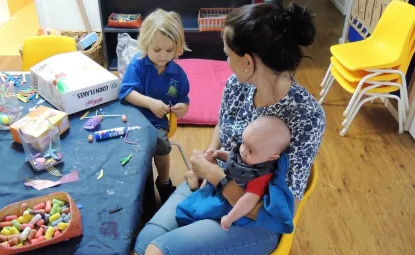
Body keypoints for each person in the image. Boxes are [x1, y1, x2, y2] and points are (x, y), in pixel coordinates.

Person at [133, 3, 326, 255]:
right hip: (215, 186)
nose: (225, 61)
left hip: (255, 219)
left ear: (247, 62)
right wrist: (206, 158)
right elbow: (223, 124)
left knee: (158, 251)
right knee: (144, 241)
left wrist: (215, 177)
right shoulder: (237, 83)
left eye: (227, 54)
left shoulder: (306, 116)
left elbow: (275, 214)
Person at [119, 9, 190, 204]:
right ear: (145, 45)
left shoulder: (178, 74)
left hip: (157, 122)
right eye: (157, 50)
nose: (163, 56)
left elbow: (183, 99)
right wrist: (149, 102)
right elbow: (126, 92)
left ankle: (164, 182)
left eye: (169, 51)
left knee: (160, 144)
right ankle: (141, 185)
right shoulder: (138, 64)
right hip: (133, 117)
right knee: (135, 150)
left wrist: (183, 107)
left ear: (178, 48)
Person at [179, 116, 292, 231]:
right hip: (221, 190)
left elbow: (248, 201)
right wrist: (218, 153)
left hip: (234, 207)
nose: (243, 151)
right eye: (243, 143)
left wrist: (230, 218)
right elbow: (233, 159)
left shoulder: (260, 176)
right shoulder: (249, 154)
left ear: (272, 157)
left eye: (251, 151)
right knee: (189, 207)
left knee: (194, 212)